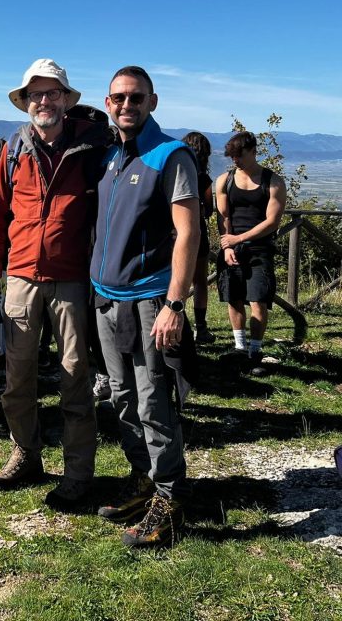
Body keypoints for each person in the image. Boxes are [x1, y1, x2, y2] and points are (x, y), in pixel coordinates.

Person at [0, 58, 108, 509]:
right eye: (36, 94)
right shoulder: (14, 149)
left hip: (72, 279)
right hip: (19, 277)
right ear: (26, 102)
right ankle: (25, 453)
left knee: (75, 378)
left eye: (52, 93)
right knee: (17, 379)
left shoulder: (94, 149)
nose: (43, 101)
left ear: (67, 100)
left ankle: (78, 473)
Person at [90, 65, 200, 548]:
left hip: (151, 300)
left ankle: (171, 500)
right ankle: (143, 479)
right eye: (118, 98)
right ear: (108, 102)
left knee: (154, 402)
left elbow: (189, 232)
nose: (126, 105)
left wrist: (176, 303)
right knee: (120, 398)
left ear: (152, 102)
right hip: (107, 300)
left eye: (136, 98)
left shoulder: (170, 155)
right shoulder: (111, 154)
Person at [215, 131, 286, 375]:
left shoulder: (273, 181)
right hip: (231, 248)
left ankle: (255, 351)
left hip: (259, 248)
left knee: (258, 299)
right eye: (232, 156)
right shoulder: (225, 180)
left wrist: (240, 238)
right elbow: (223, 216)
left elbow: (272, 221)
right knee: (234, 298)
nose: (235, 160)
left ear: (254, 151)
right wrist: (227, 246)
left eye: (240, 155)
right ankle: (239, 348)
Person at [182, 132, 216, 344]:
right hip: (198, 233)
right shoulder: (204, 179)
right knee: (200, 282)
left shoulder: (176, 173)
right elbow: (209, 209)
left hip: (173, 233)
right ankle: (200, 328)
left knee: (177, 281)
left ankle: (179, 322)